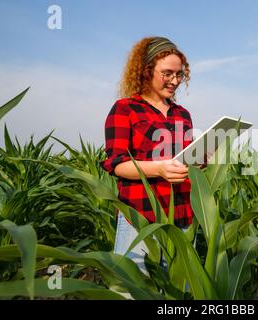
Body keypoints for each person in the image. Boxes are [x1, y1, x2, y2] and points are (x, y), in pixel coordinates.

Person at [100, 36, 194, 275]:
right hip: (140, 220)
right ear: (146, 70)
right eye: (167, 73)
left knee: (178, 293)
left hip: (183, 218)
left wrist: (202, 159)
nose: (174, 81)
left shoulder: (182, 114)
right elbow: (118, 164)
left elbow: (185, 160)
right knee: (132, 290)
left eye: (179, 75)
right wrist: (160, 169)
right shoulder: (125, 109)